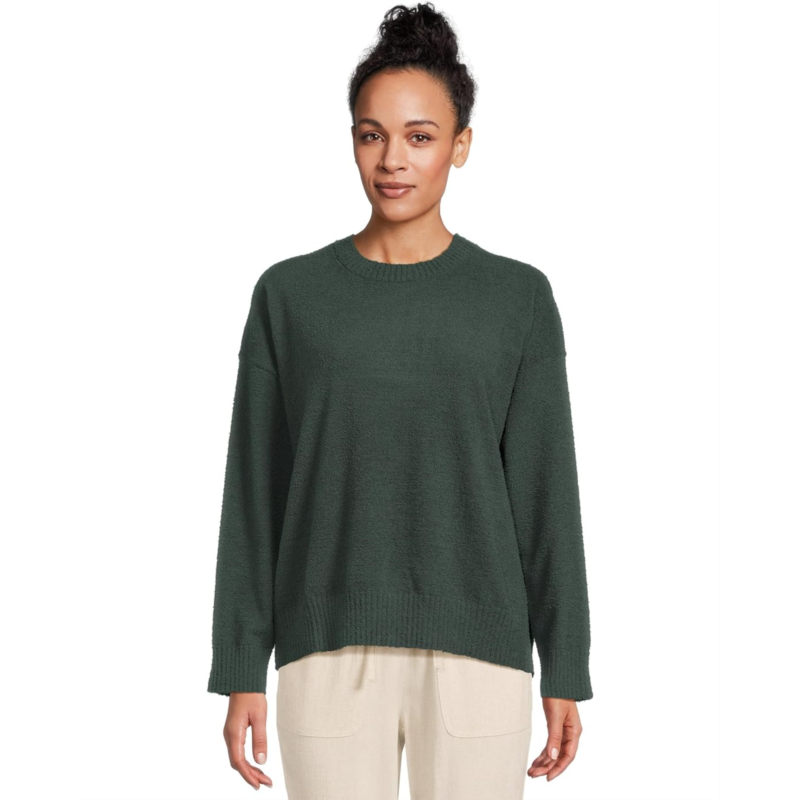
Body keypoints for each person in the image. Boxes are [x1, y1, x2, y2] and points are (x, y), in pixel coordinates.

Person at [206, 4, 593, 798]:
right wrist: (241, 664)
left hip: (481, 660)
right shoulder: (290, 296)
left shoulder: (517, 299)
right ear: (351, 139)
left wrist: (567, 665)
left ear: (461, 145)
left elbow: (546, 494)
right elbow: (254, 493)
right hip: (326, 654)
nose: (392, 160)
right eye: (371, 134)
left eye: (420, 136)